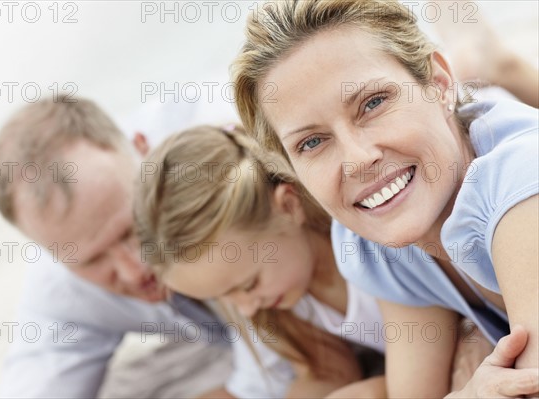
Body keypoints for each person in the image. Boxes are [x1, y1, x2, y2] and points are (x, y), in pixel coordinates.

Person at [230, 0, 538, 397]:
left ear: (439, 83)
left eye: (373, 103)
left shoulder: (519, 183)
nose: (358, 160)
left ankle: (488, 59)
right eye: (312, 142)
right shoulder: (374, 241)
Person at [134, 124, 492, 398]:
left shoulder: (377, 244)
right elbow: (326, 372)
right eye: (223, 298)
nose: (244, 309)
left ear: (288, 207)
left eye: (248, 285)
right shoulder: (288, 299)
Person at [0, 97, 295, 398]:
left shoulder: (235, 142)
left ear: (143, 150)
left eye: (132, 228)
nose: (136, 269)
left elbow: (281, 374)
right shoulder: (61, 285)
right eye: (93, 260)